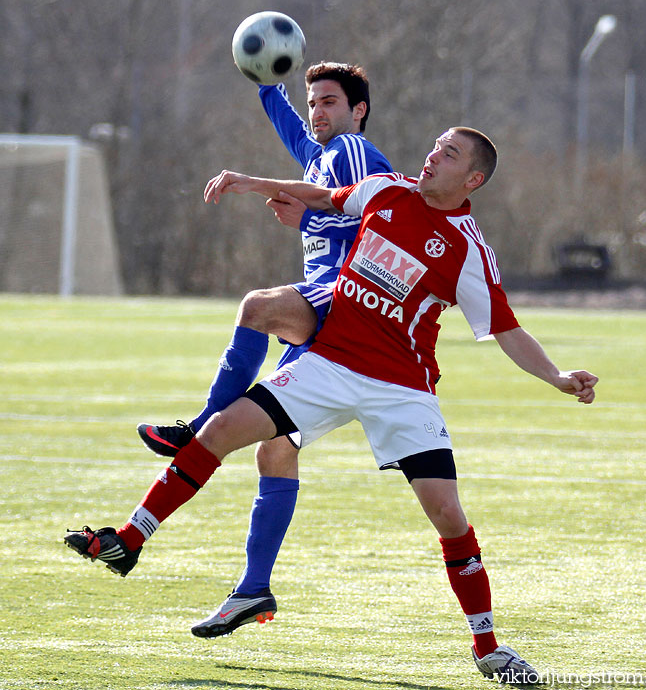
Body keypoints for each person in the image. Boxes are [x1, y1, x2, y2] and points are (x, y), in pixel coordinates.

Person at [65, 126, 598, 684]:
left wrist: (558, 377)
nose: (432, 155)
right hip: (328, 365)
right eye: (435, 145)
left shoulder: (468, 248)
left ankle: (488, 648)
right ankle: (128, 541)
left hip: (401, 388)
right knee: (220, 430)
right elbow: (321, 196)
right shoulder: (385, 190)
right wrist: (250, 182)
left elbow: (507, 329)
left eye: (449, 154)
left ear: (473, 179)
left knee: (447, 515)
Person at [135, 62, 392, 625]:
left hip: (344, 303)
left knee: (256, 307)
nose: (317, 112)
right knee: (275, 449)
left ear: (358, 112)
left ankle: (198, 424)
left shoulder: (350, 151)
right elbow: (297, 138)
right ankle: (253, 590)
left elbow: (335, 200)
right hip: (331, 316)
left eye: (329, 101)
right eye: (313, 102)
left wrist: (255, 184)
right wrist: (265, 82)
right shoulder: (323, 152)